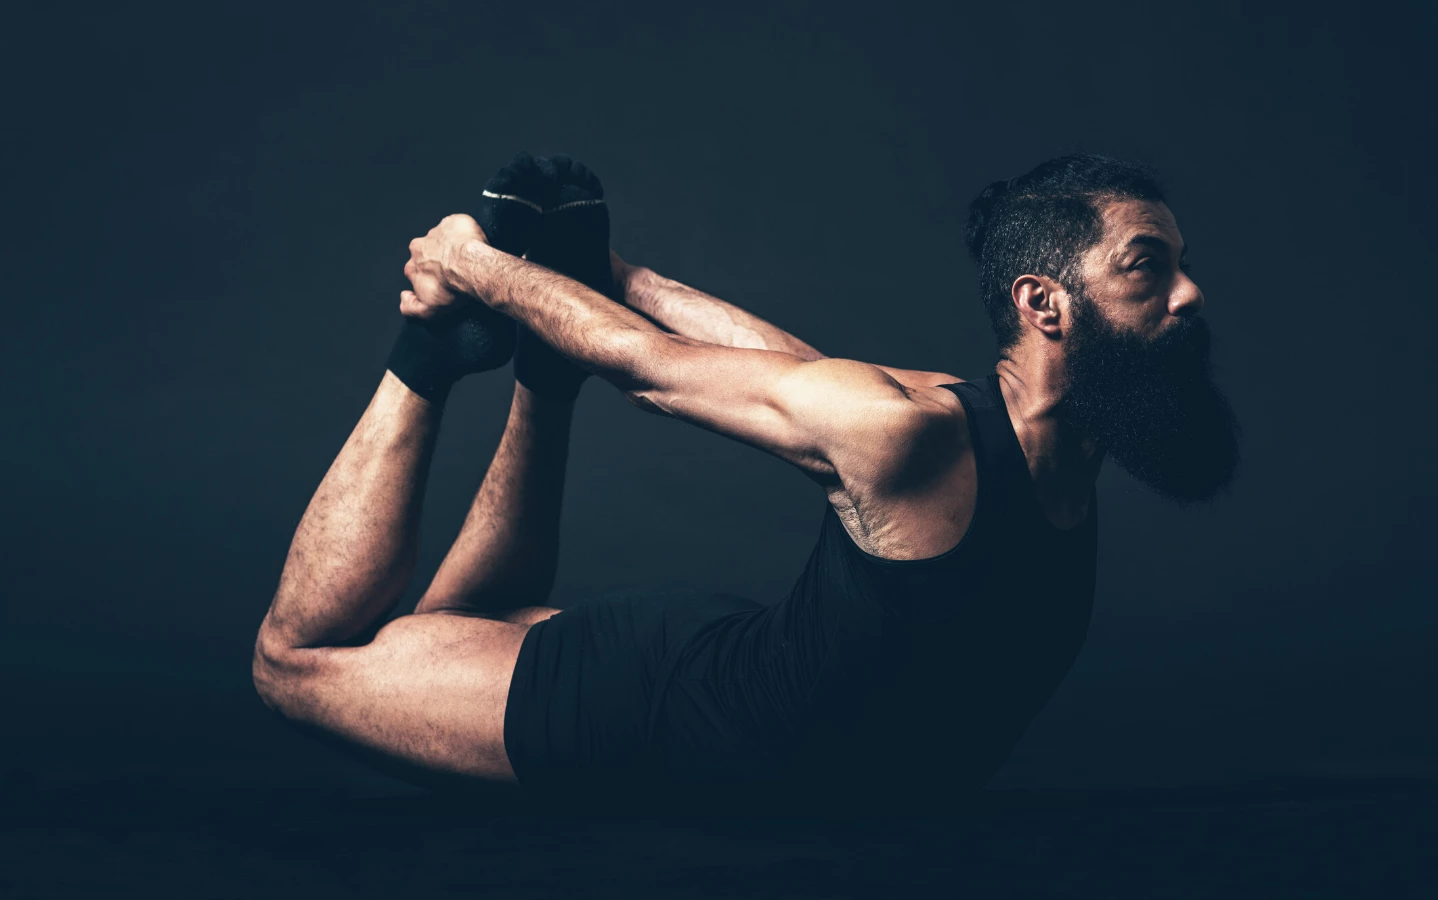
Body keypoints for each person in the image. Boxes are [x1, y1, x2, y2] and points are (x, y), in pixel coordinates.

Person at [251, 151, 1240, 810]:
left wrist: (607, 268)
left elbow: (801, 376)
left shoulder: (1050, 435)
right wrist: (465, 267)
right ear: (1045, 305)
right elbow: (648, 368)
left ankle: (542, 375)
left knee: (458, 625)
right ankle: (426, 356)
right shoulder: (924, 430)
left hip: (742, 674)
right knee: (296, 665)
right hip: (662, 717)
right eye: (1148, 268)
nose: (1189, 292)